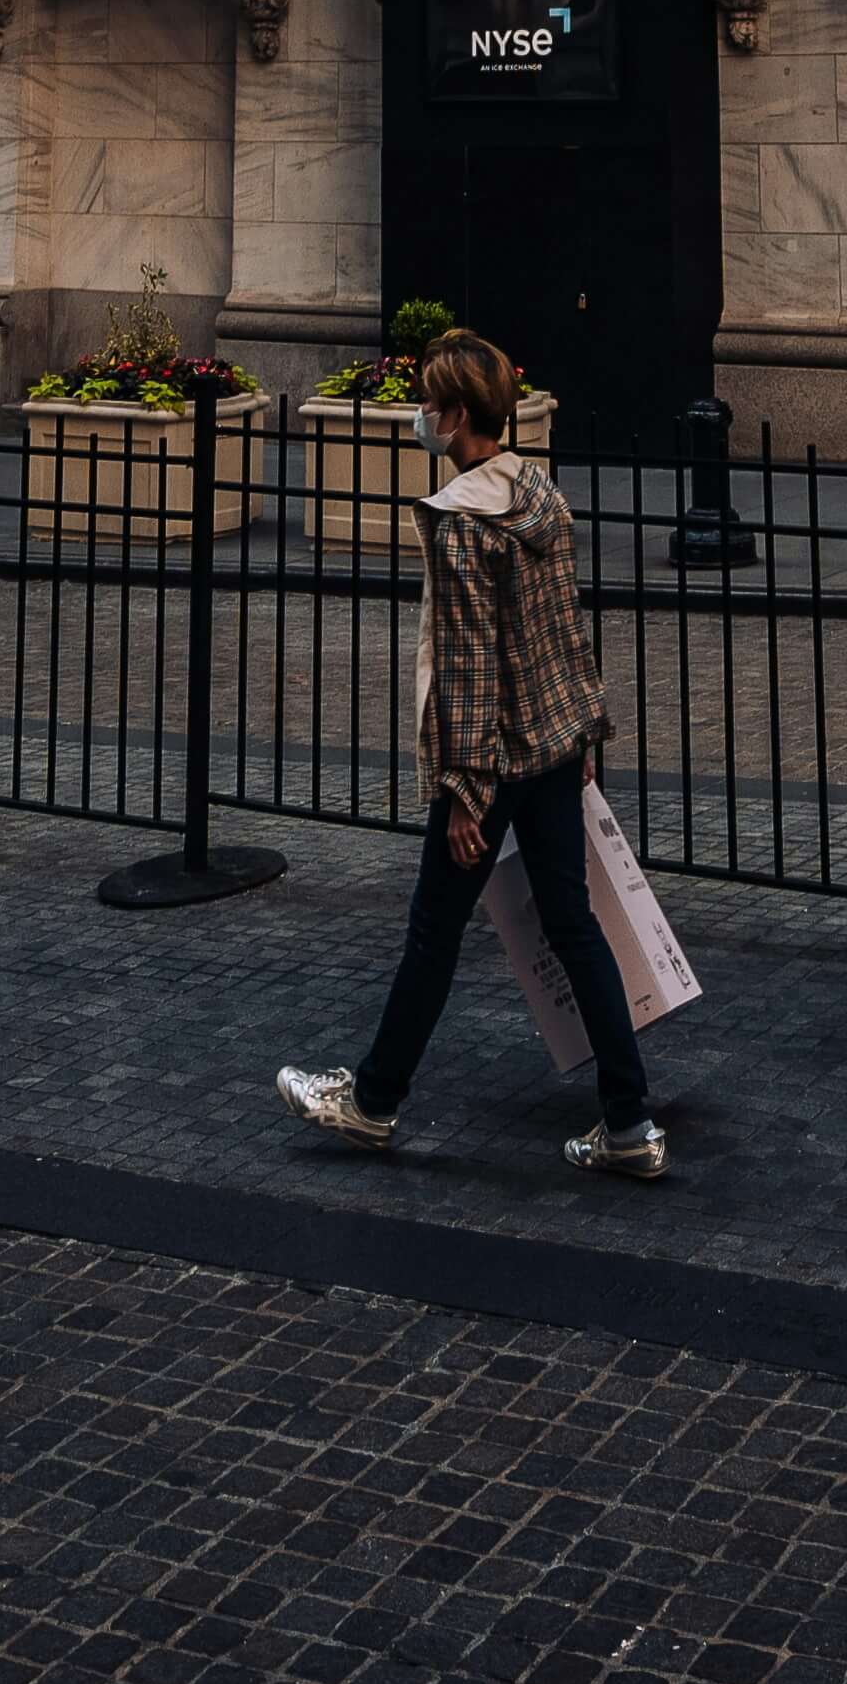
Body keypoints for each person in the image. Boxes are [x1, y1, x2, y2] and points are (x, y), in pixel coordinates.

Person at [280, 327, 665, 1180]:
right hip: (557, 748)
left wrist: (465, 791)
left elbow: (469, 665)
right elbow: (564, 630)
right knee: (575, 928)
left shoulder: (459, 520)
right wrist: (584, 733)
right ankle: (631, 1123)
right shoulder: (540, 493)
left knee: (432, 934)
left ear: (455, 417)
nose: (420, 414)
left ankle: (373, 1101)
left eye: (427, 402)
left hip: (495, 765)